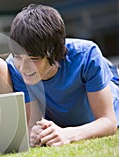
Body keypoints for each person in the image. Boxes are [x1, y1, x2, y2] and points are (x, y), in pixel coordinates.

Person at [6, 4, 118, 147]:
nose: (23, 67)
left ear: (55, 53)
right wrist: (34, 132)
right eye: (18, 57)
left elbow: (108, 121)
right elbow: (33, 123)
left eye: (34, 59)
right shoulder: (14, 68)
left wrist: (68, 134)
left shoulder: (86, 55)